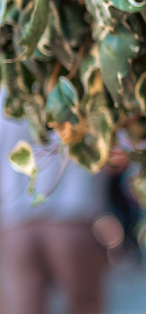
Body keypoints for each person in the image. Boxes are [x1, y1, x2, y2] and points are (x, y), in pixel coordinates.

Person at [0, 89, 109, 314]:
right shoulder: (79, 84)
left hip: (14, 222)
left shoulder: (7, 90)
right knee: (85, 305)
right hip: (72, 216)